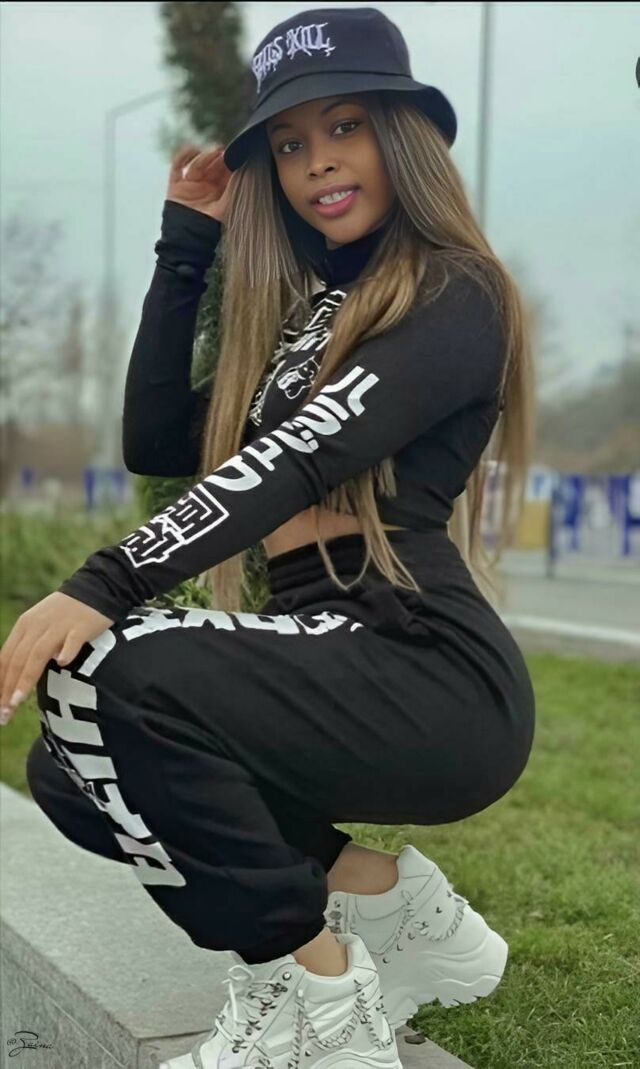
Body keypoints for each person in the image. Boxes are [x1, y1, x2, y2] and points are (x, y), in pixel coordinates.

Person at [0, 7, 537, 1068]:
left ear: (403, 138)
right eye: (288, 144)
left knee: (102, 675)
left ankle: (320, 1005)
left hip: (424, 661)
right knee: (71, 768)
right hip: (324, 638)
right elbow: (159, 436)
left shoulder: (455, 288)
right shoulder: (312, 316)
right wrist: (186, 243)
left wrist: (104, 583)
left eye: (344, 127)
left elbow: (297, 456)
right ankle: (392, 907)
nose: (315, 161)